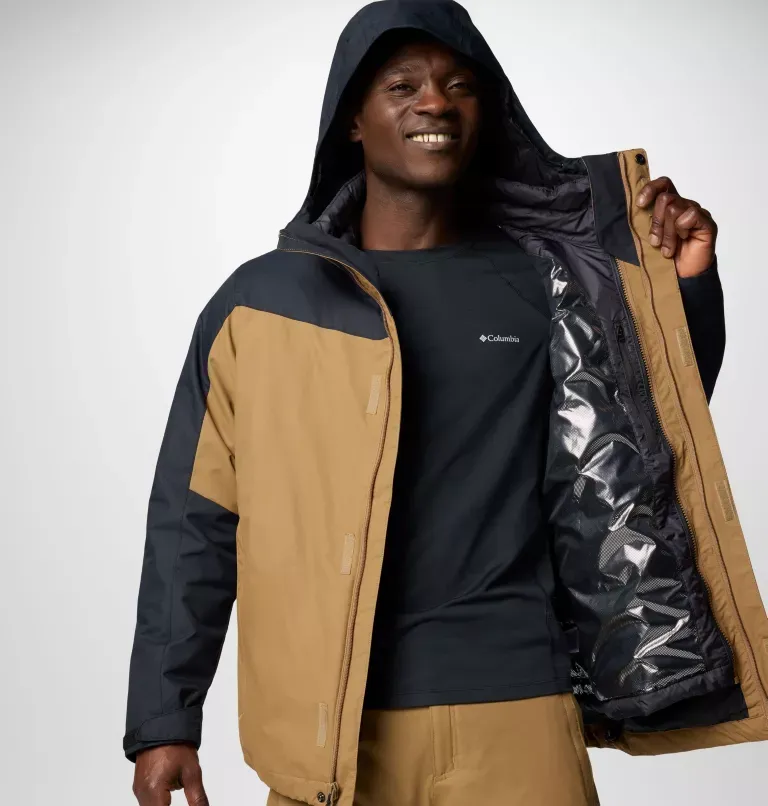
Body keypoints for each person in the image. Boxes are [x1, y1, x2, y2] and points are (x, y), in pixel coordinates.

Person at [125, 2, 768, 806]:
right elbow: (194, 521)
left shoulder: (545, 284)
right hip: (331, 735)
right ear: (352, 120)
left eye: (460, 85)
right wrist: (164, 719)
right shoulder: (262, 303)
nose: (435, 101)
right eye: (403, 85)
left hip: (519, 709)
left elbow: (643, 430)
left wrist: (691, 285)